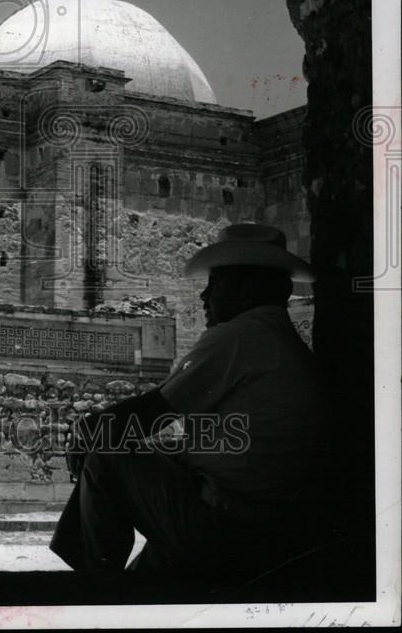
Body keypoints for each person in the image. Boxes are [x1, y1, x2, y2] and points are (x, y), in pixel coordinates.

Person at [50, 223, 330, 582]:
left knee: (105, 452)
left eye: (215, 285)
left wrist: (87, 431)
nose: (204, 297)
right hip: (261, 527)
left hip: (230, 530)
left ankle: (94, 587)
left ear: (246, 291)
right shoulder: (275, 340)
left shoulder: (241, 335)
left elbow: (151, 413)